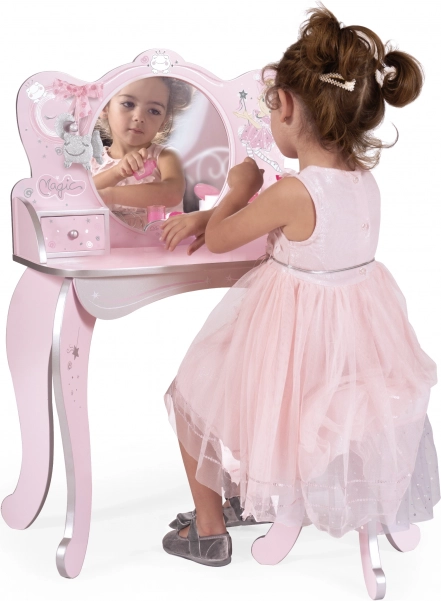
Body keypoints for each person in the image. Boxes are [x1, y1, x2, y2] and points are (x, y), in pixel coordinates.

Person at [160, 5, 439, 567]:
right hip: (345, 345)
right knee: (242, 406)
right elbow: (296, 234)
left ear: (285, 106)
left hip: (289, 342)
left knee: (190, 398)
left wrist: (237, 190)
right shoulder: (361, 181)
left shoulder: (293, 191)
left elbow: (224, 239)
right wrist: (211, 215)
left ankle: (208, 528)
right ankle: (248, 499)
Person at [91, 77, 192, 229]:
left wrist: (111, 195)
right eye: (128, 104)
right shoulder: (92, 161)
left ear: (164, 121)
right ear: (105, 107)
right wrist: (116, 172)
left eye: (154, 111)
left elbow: (172, 194)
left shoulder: (165, 157)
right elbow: (81, 195)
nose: (139, 117)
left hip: (157, 243)